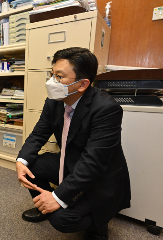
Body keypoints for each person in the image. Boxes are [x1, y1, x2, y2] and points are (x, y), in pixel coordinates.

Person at [16, 47, 130, 239]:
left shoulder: (107, 109)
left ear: (83, 84)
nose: (51, 82)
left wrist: (58, 197)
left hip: (99, 176)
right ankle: (45, 205)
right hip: (70, 163)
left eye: (59, 77)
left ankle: (98, 225)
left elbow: (93, 163)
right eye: (52, 75)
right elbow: (38, 134)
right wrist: (21, 160)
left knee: (61, 219)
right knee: (31, 166)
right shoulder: (54, 101)